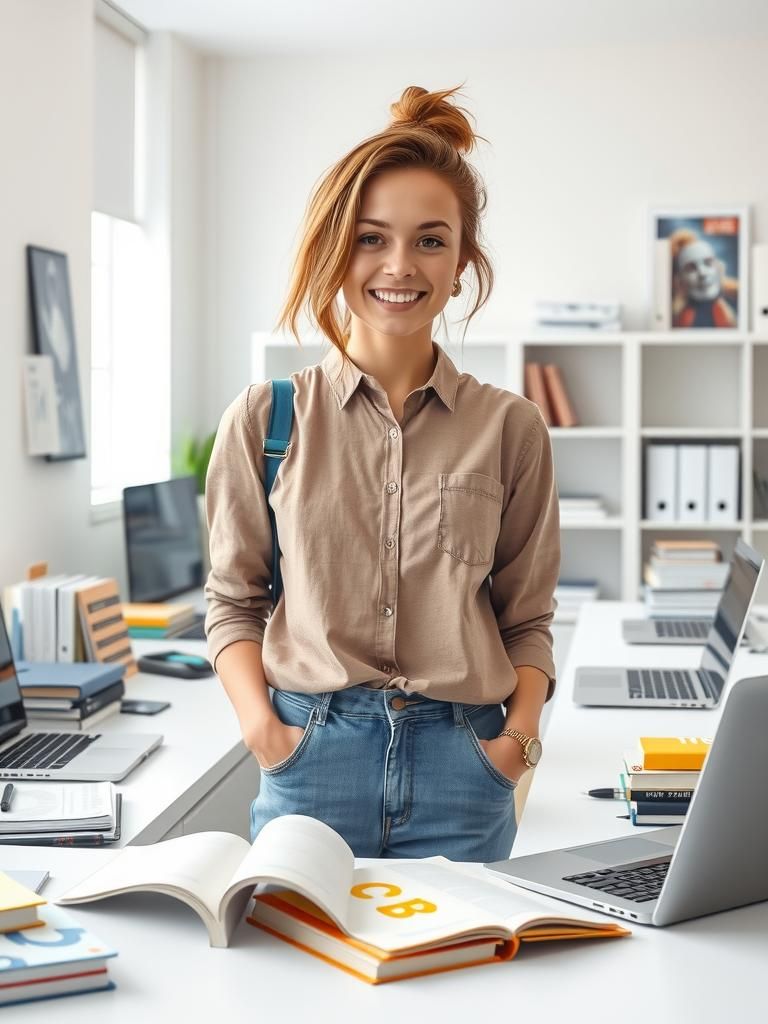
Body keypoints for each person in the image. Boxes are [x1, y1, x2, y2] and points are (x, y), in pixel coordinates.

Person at [204, 84, 561, 862]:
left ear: (464, 262)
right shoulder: (265, 421)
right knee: (298, 978)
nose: (400, 266)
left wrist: (517, 745)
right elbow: (232, 604)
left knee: (460, 981)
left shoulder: (511, 429)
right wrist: (266, 734)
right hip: (310, 761)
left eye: (431, 241)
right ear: (338, 246)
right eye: (372, 238)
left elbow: (526, 621)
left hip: (465, 766)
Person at [670, 227, 738, 328]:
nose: (702, 273)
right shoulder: (678, 317)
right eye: (691, 268)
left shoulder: (736, 300)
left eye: (708, 263)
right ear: (680, 281)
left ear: (719, 267)